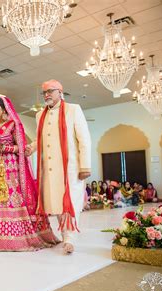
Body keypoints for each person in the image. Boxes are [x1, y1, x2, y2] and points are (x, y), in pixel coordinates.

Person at [0, 96, 59, 252]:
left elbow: (21, 148)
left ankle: (14, 238)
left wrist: (6, 148)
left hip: (11, 169)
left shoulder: (13, 125)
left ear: (4, 107)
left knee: (10, 199)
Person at [26, 79, 92, 254]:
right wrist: (31, 148)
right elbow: (39, 138)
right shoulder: (40, 115)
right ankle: (64, 235)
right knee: (55, 205)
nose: (47, 95)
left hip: (70, 169)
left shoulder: (73, 109)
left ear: (60, 93)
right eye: (44, 92)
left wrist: (85, 165)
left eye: (51, 91)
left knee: (70, 203)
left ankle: (69, 239)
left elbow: (84, 138)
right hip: (48, 169)